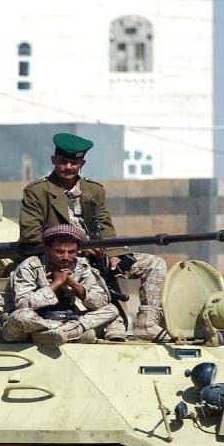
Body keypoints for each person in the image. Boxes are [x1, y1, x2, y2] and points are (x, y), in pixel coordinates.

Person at [18, 133, 168, 339]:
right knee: (99, 290)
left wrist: (114, 254)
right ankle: (110, 323)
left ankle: (147, 323)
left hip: (98, 254)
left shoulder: (94, 190)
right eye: (63, 162)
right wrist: (81, 246)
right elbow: (30, 233)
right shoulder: (37, 191)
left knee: (154, 264)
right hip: (63, 256)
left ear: (82, 164)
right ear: (54, 160)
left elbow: (105, 225)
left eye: (74, 163)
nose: (68, 167)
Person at [0, 224, 120, 346]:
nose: (66, 257)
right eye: (59, 252)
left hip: (65, 319)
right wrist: (56, 283)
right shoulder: (30, 266)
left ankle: (55, 334)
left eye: (71, 252)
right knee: (21, 316)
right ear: (47, 248)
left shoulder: (80, 266)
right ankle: (72, 333)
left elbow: (101, 301)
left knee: (111, 310)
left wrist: (73, 284)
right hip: (31, 323)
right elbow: (22, 304)